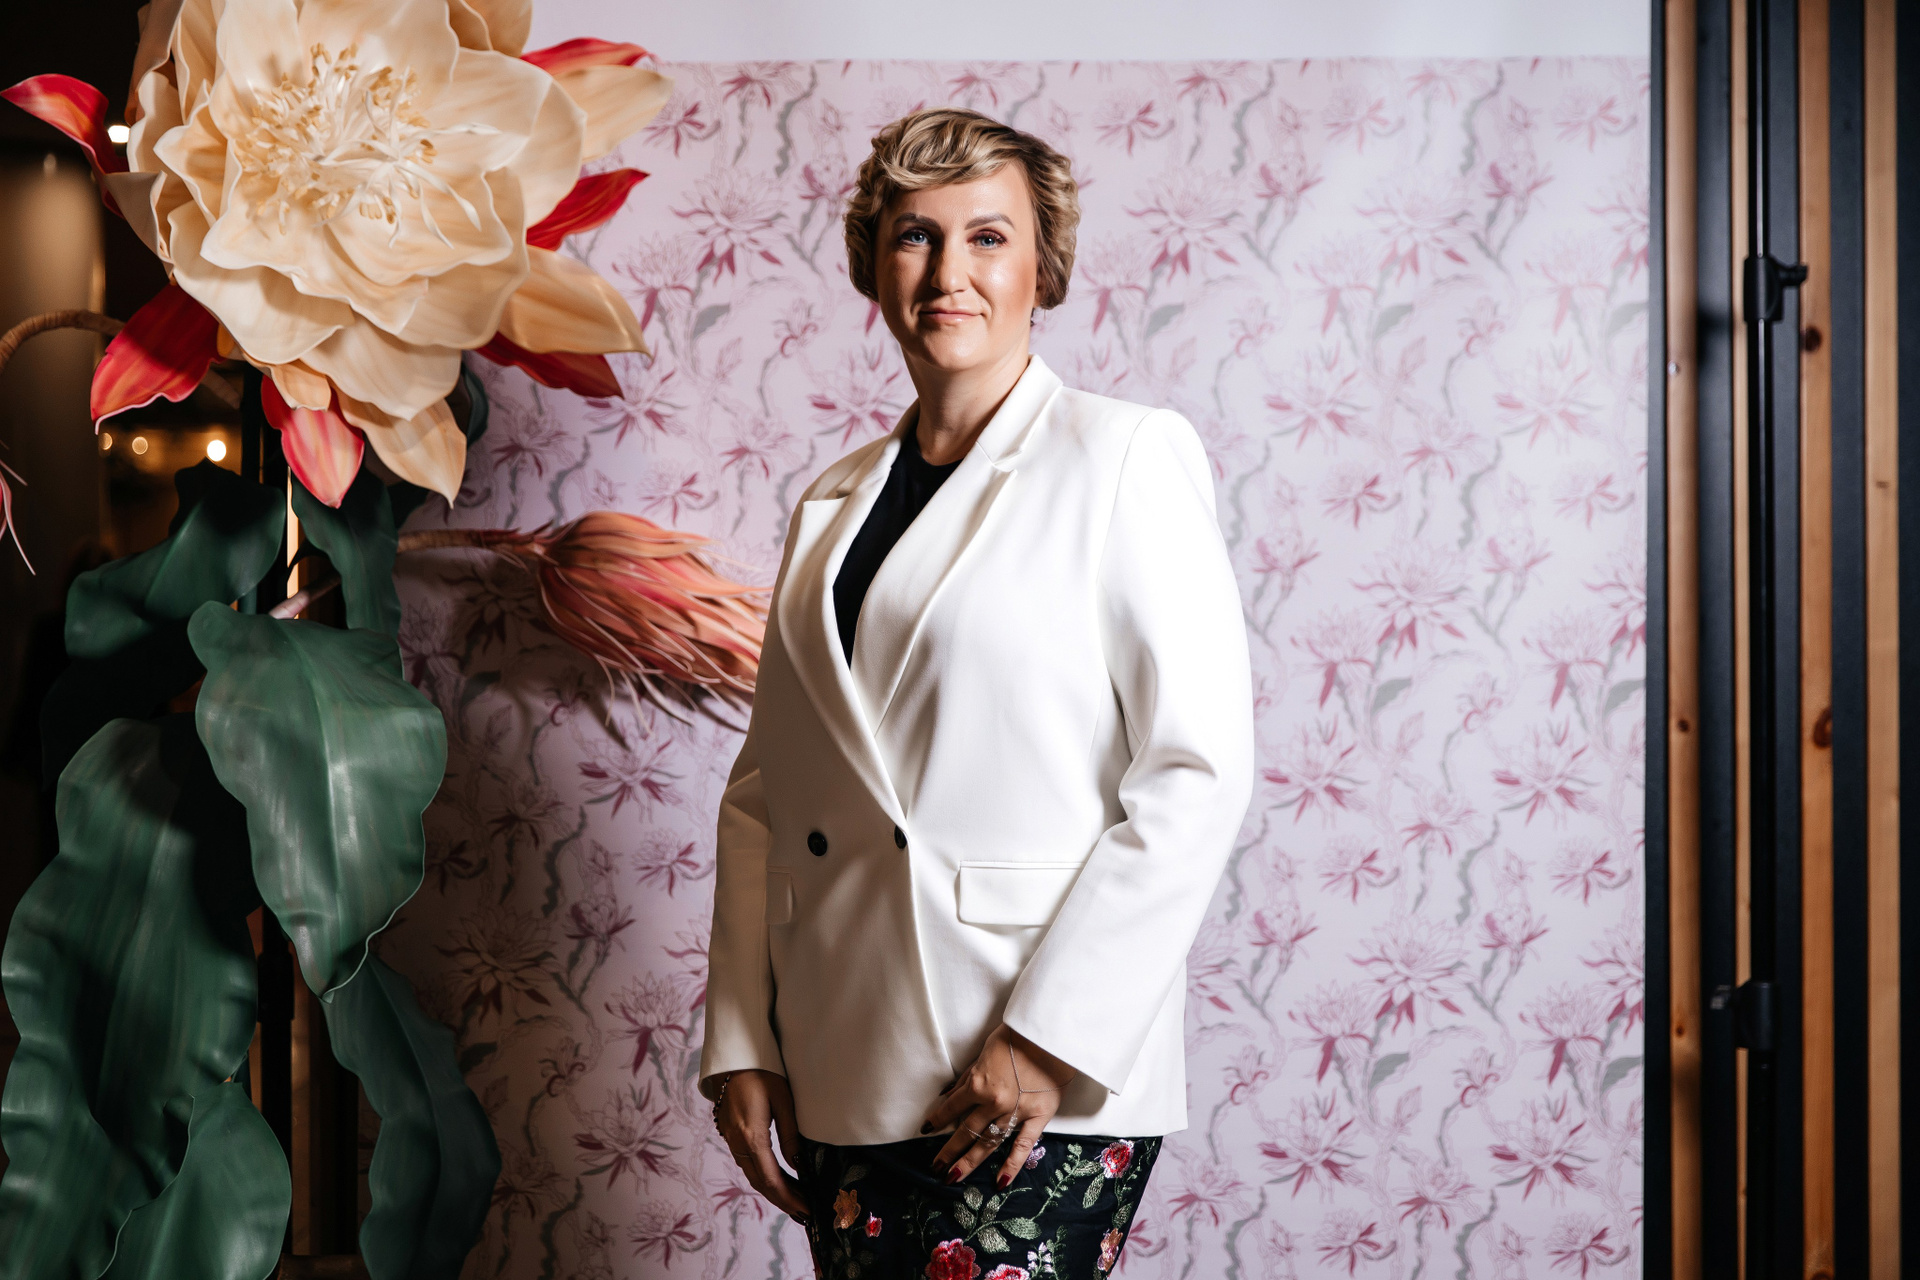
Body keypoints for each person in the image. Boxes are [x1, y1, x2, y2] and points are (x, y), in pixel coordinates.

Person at [700, 107, 1254, 1279]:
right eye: (916, 236)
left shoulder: (1124, 456)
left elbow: (1195, 769)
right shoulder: (829, 502)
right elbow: (763, 792)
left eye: (988, 237)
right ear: (875, 266)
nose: (949, 271)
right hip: (841, 1053)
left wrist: (1048, 1037)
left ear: (1043, 268)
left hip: (1024, 1063)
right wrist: (744, 1035)